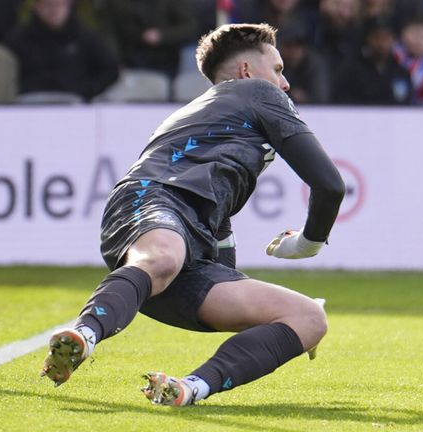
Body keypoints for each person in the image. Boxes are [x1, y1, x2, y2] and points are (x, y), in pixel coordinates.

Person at [40, 23, 345, 407]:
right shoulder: (258, 93)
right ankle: (82, 335)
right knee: (165, 255)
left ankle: (188, 388)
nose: (284, 84)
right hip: (154, 203)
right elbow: (330, 185)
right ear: (248, 71)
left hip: (178, 252)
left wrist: (285, 323)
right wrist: (307, 243)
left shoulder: (214, 119)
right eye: (278, 69)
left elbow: (222, 263)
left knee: (309, 318)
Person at [4, 0, 119, 102]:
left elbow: (111, 69)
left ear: (69, 5)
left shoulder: (85, 37)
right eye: (48, 5)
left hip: (74, 107)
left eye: (59, 5)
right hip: (27, 107)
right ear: (37, 6)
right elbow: (4, 71)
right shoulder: (18, 39)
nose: (54, 10)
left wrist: (87, 92)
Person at [105, 0, 197, 78]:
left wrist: (162, 36)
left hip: (164, 60)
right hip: (129, 60)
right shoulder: (116, 3)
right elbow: (111, 33)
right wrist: (115, 60)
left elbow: (190, 28)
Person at [331, 17, 412, 105]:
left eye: (386, 38)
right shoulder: (351, 71)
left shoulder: (402, 73)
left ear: (393, 40)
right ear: (368, 39)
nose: (381, 43)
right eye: (377, 37)